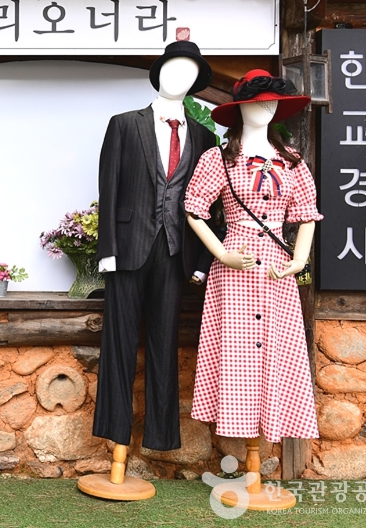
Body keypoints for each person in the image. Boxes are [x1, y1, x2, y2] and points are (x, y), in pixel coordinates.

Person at [184, 69, 321, 443]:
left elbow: (307, 215)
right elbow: (194, 210)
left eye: (271, 102)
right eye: (257, 102)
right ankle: (239, 428)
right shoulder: (218, 159)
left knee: (279, 350)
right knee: (236, 352)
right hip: (235, 268)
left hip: (278, 270)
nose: (265, 108)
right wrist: (222, 254)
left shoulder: (292, 161)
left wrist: (299, 261)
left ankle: (271, 427)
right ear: (240, 109)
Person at [93, 41, 216, 452]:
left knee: (165, 344)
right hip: (127, 248)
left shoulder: (204, 137)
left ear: (196, 83)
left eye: (189, 72)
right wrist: (107, 250)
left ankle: (161, 437)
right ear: (157, 73)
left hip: (177, 251)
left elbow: (208, 203)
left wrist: (201, 262)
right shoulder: (125, 124)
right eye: (172, 68)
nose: (178, 77)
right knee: (119, 343)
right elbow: (109, 186)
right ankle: (115, 434)